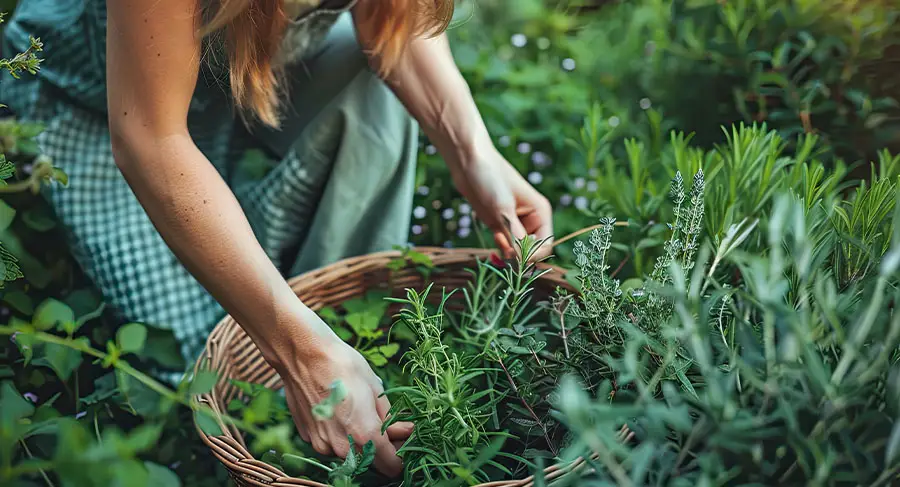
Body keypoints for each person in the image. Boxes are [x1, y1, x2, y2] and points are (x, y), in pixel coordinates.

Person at [0, 0, 553, 476]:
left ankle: (333, 338)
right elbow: (150, 138)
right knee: (215, 379)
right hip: (103, 107)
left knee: (375, 95)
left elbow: (392, 19)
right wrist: (293, 351)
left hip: (248, 70)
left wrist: (471, 153)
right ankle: (304, 361)